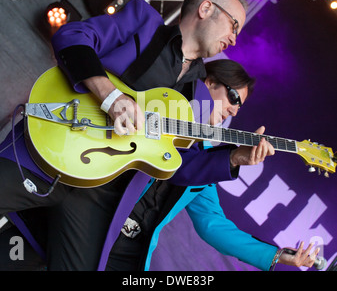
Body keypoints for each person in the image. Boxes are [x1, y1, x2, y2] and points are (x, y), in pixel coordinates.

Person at [0, 0, 277, 270]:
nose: (233, 39)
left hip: (97, 201)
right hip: (54, 154)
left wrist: (234, 158)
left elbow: (177, 165)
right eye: (233, 26)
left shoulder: (201, 100)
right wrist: (110, 96)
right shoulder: (142, 22)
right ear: (206, 9)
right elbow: (73, 36)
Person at [104, 59, 320, 271]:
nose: (234, 110)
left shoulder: (210, 159)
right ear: (209, 82)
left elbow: (212, 224)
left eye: (239, 106)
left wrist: (277, 256)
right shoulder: (164, 104)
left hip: (131, 250)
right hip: (100, 220)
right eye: (233, 97)